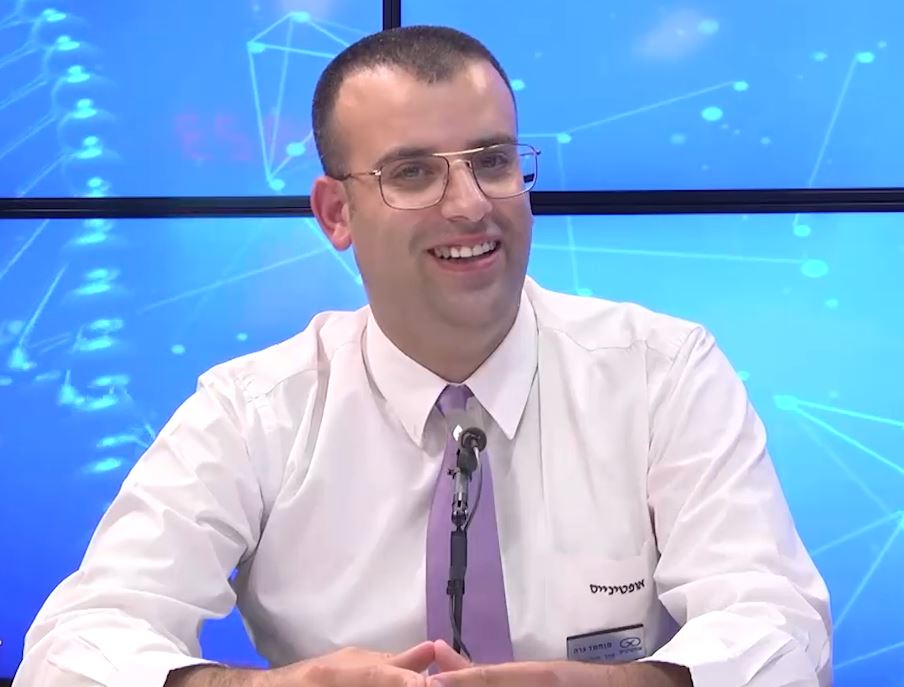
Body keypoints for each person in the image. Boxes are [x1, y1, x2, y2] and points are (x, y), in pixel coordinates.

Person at [14, 25, 832, 687]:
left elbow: (781, 629)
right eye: (413, 173)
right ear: (336, 213)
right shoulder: (253, 409)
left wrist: (616, 684)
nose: (470, 205)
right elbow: (72, 649)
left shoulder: (661, 370)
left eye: (492, 161)